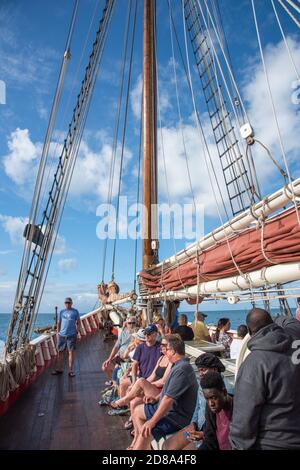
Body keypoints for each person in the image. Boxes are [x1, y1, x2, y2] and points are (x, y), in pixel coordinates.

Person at [230, 308, 300, 450]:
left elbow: (243, 422)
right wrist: (273, 319)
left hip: (271, 443)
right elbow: (292, 323)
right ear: (272, 324)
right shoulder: (295, 342)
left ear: (249, 332)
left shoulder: (253, 364)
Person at [130, 334, 198, 450]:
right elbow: (168, 392)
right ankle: (143, 445)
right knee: (137, 411)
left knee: (145, 431)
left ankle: (140, 444)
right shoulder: (178, 366)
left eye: (166, 349)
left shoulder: (182, 370)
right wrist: (155, 398)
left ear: (173, 351)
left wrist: (152, 421)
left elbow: (168, 400)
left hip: (176, 418)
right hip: (172, 412)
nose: (165, 352)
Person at [163, 353, 225, 451]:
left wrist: (204, 434)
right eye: (199, 370)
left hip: (211, 435)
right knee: (168, 445)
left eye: (203, 370)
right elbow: (198, 406)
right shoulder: (202, 384)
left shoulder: (224, 392)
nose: (200, 374)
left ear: (214, 369)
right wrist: (193, 423)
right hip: (198, 427)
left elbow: (224, 425)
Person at [118, 324, 161, 398]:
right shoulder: (140, 348)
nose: (146, 335)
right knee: (123, 383)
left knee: (131, 394)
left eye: (149, 334)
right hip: (140, 378)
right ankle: (123, 407)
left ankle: (124, 404)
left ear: (155, 334)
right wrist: (134, 382)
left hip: (153, 379)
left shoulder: (160, 348)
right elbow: (134, 364)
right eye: (145, 333)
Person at [198, 371, 233, 450]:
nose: (211, 404)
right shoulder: (211, 407)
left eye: (214, 397)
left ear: (224, 392)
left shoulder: (238, 410)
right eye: (207, 399)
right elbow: (209, 439)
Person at [102, 315, 137, 381]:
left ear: (136, 324)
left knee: (117, 372)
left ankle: (116, 383)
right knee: (105, 366)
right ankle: (113, 382)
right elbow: (116, 346)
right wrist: (109, 359)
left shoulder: (137, 335)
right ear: (127, 324)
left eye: (133, 323)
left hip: (128, 361)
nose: (131, 325)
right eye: (129, 323)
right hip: (119, 358)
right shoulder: (123, 333)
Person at [52, 297, 80, 377]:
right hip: (62, 336)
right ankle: (59, 369)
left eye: (69, 303)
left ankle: (70, 370)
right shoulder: (62, 312)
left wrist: (77, 332)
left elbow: (78, 322)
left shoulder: (75, 312)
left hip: (71, 335)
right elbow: (59, 322)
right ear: (65, 304)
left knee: (71, 352)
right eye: (66, 303)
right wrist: (58, 332)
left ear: (71, 303)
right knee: (60, 352)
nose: (67, 304)